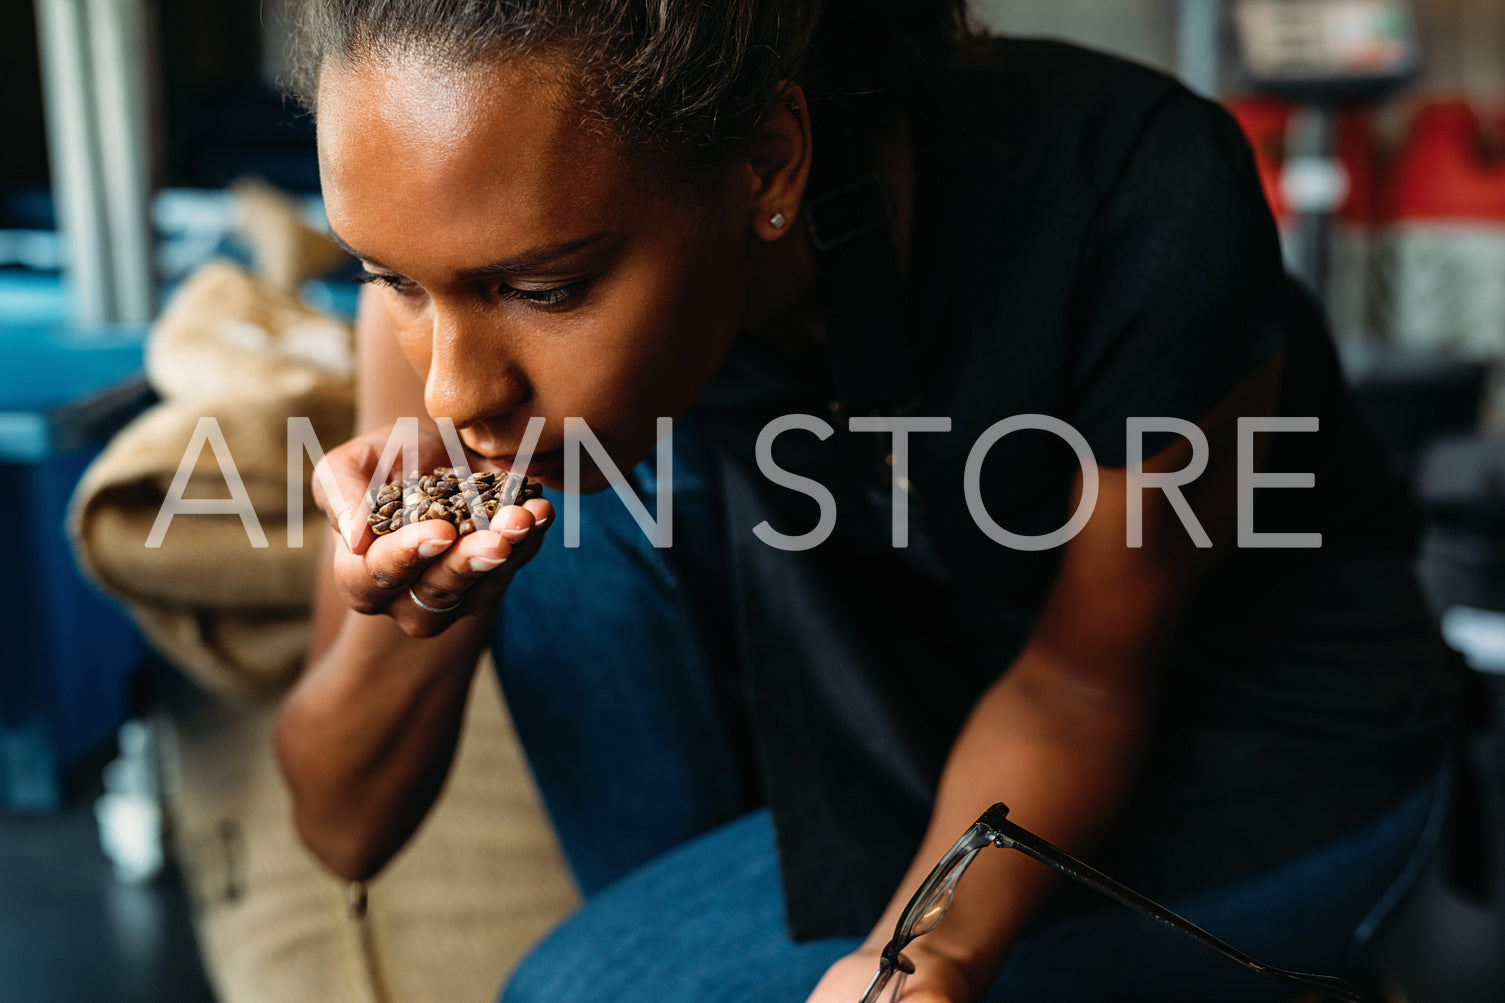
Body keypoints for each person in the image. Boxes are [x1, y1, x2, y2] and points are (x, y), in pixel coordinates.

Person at [274, 2, 1465, 1000]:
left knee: (581, 990)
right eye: (391, 281)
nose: (450, 378)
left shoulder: (1132, 201)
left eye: (543, 285)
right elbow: (343, 824)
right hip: (880, 681)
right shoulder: (451, 294)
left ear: (768, 165)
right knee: (575, 527)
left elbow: (1082, 680)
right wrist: (425, 602)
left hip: (1247, 745)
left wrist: (916, 957)